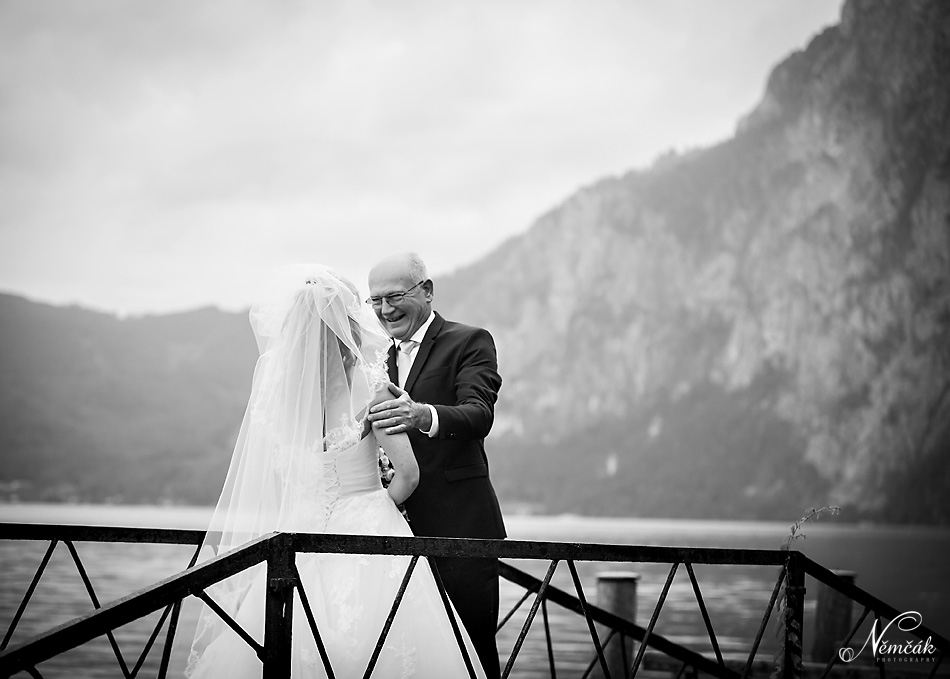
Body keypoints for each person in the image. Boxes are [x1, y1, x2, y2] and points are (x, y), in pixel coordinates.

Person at [185, 265, 486, 678]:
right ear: (346, 324)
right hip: (367, 530)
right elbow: (409, 475)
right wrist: (375, 507)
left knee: (282, 642)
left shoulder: (274, 397)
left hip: (295, 532)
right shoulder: (372, 384)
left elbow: (277, 479)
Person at [366, 252, 506, 679]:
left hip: (459, 530)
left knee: (471, 653)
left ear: (426, 291)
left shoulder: (469, 341)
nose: (385, 309)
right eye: (375, 301)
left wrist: (423, 415)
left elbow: (479, 414)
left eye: (395, 296)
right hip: (390, 536)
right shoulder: (373, 361)